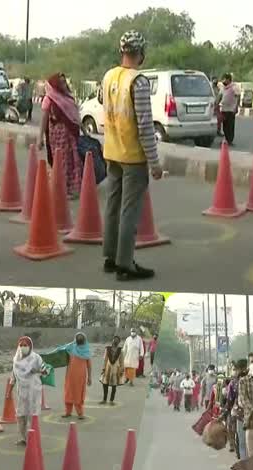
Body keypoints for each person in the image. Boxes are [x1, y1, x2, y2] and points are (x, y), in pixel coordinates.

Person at [101, 30, 163, 281]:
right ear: (142, 54)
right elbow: (146, 125)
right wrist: (155, 162)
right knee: (129, 210)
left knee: (112, 205)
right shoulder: (138, 82)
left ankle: (110, 257)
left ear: (121, 51)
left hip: (112, 151)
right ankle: (125, 264)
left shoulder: (109, 76)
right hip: (133, 156)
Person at [38, 73, 83, 198]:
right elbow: (44, 119)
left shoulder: (68, 97)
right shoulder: (49, 99)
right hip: (57, 136)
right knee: (61, 161)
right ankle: (60, 188)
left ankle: (72, 189)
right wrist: (40, 137)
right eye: (61, 82)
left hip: (71, 134)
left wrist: (84, 131)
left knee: (73, 160)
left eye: (64, 82)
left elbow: (76, 117)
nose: (64, 84)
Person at [10, 336, 49, 446]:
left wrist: (36, 370)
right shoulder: (16, 359)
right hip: (21, 392)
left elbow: (46, 371)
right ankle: (23, 438)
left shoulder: (36, 358)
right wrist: (9, 392)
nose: (23, 347)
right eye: (21, 345)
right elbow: (13, 376)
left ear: (30, 346)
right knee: (21, 415)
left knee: (33, 415)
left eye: (25, 345)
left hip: (34, 391)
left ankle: (34, 438)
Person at [61, 332, 92, 420]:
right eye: (78, 338)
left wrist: (89, 377)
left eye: (81, 338)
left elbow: (89, 365)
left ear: (84, 340)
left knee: (78, 394)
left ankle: (80, 413)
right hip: (70, 375)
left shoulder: (87, 351)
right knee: (68, 392)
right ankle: (68, 412)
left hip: (81, 377)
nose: (79, 339)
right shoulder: (70, 348)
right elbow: (63, 356)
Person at [100, 335, 125, 405]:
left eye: (117, 340)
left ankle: (111, 400)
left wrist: (122, 370)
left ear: (119, 342)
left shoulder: (120, 351)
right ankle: (104, 399)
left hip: (116, 369)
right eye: (114, 339)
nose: (115, 341)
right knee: (105, 384)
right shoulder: (107, 349)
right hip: (108, 368)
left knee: (114, 385)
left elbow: (122, 361)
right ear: (112, 340)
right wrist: (103, 368)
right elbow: (105, 360)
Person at [218, 73, 240, 145]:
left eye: (224, 79)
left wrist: (236, 107)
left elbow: (238, 97)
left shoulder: (234, 87)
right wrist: (216, 104)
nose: (223, 81)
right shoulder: (223, 88)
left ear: (228, 80)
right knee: (225, 126)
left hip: (231, 110)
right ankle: (227, 139)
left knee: (230, 126)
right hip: (224, 109)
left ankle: (229, 140)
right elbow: (220, 97)